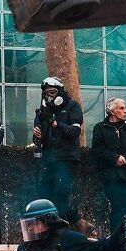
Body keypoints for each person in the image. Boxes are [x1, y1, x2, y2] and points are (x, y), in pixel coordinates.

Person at [32, 77, 83, 228]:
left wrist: (55, 123)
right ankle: (71, 225)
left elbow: (75, 131)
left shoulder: (72, 106)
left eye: (53, 92)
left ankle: (68, 229)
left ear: (60, 92)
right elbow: (37, 137)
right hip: (49, 159)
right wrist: (38, 135)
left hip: (67, 157)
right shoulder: (43, 111)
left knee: (62, 193)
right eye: (47, 93)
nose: (50, 96)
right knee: (44, 194)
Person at [91, 97, 126, 232]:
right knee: (117, 209)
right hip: (111, 177)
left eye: (125, 107)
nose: (125, 111)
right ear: (112, 111)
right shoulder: (100, 128)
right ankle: (116, 237)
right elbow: (97, 149)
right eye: (121, 108)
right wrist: (115, 158)